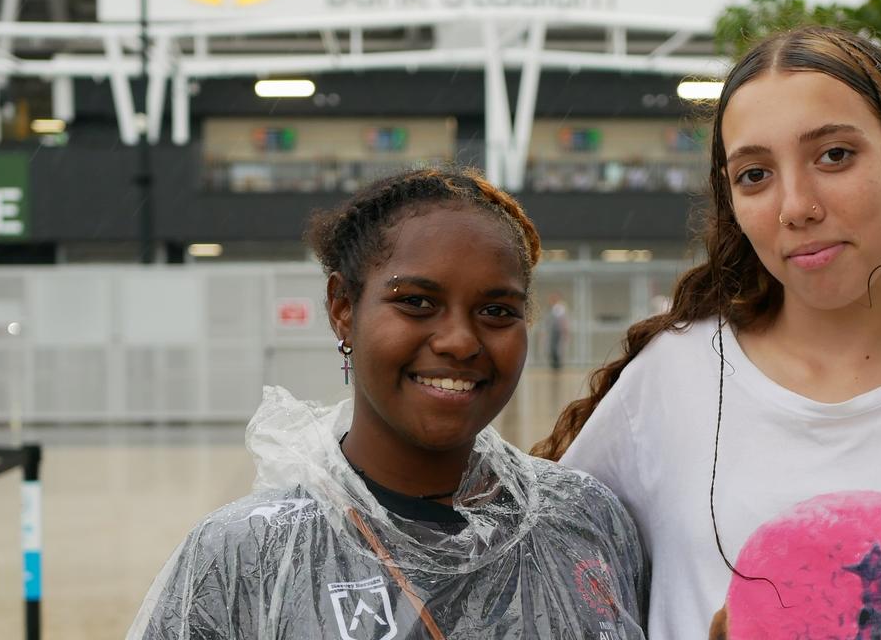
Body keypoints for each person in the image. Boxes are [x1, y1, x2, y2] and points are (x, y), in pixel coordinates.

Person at [532, 26, 881, 639]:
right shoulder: (672, 381)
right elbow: (544, 580)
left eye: (834, 155)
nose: (796, 205)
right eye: (754, 174)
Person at [130, 168, 647, 639]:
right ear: (342, 308)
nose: (459, 341)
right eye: (417, 303)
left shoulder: (587, 521)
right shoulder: (244, 558)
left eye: (495, 309)